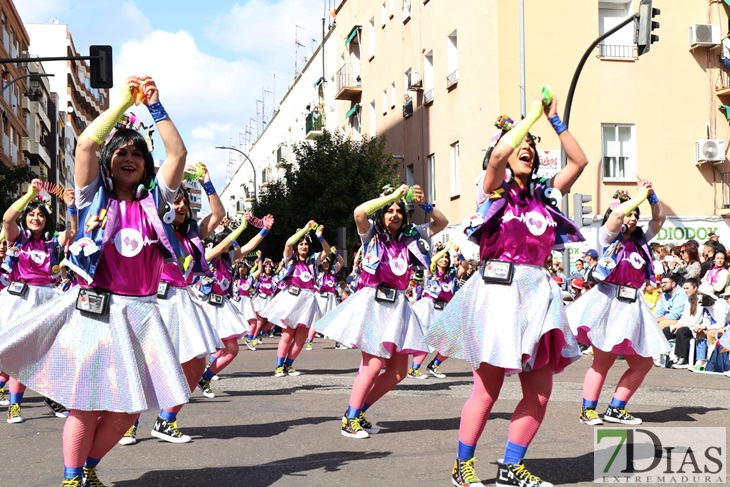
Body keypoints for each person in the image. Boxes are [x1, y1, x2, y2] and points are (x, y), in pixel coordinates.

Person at [0, 76, 192, 487]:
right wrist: (123, 104)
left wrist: (156, 108)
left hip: (141, 313)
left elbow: (177, 152)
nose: (129, 157)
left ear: (145, 165)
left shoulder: (154, 203)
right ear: (108, 163)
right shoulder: (91, 199)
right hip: (97, 311)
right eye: (120, 152)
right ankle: (72, 478)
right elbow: (85, 144)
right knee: (85, 404)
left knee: (129, 408)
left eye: (137, 153)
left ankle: (89, 467)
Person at [426, 88, 587, 487]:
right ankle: (463, 465)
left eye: (532, 146)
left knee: (541, 393)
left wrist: (553, 120)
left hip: (537, 298)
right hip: (497, 296)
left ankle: (511, 466)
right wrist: (529, 119)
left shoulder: (545, 195)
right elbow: (498, 157)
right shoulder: (493, 189)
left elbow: (580, 161)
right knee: (488, 391)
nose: (526, 148)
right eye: (522, 144)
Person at [315, 183, 447, 439]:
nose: (395, 214)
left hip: (397, 306)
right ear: (382, 214)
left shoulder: (411, 235)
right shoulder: (370, 234)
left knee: (397, 372)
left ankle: (357, 411)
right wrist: (389, 196)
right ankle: (349, 420)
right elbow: (358, 214)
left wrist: (424, 205)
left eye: (399, 210)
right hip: (373, 303)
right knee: (373, 365)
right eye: (390, 210)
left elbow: (441, 222)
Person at [120, 165, 225, 446]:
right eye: (174, 200)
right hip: (153, 302)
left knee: (195, 364)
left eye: (183, 202)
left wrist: (207, 182)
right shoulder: (152, 227)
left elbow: (218, 215)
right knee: (145, 365)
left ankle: (167, 420)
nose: (179, 206)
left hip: (183, 301)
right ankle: (129, 422)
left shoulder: (192, 234)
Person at [568, 182, 670, 429]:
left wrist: (652, 196)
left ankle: (616, 407)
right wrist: (636, 197)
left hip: (632, 305)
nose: (632, 218)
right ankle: (588, 410)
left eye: (636, 214)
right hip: (609, 303)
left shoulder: (640, 241)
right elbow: (616, 215)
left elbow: (659, 220)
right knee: (603, 360)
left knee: (644, 362)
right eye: (629, 213)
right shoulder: (607, 236)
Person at [0, 181, 77, 423]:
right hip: (19, 300)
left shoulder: (53, 241)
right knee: (15, 352)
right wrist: (30, 195)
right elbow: (7, 218)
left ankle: (47, 396)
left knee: (45, 354)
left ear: (47, 220)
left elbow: (74, 232)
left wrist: (71, 208)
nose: (36, 218)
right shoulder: (18, 238)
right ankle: (15, 406)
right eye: (31, 214)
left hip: (47, 300)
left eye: (40, 214)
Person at [196, 214, 274, 397]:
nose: (229, 245)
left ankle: (205, 378)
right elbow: (222, 246)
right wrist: (243, 226)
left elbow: (249, 247)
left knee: (232, 349)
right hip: (203, 307)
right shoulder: (207, 255)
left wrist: (265, 230)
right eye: (226, 240)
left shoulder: (227, 259)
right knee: (196, 351)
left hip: (222, 306)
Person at [264, 222, 330, 377]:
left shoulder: (314, 261)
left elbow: (327, 250)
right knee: (287, 335)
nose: (304, 246)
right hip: (292, 299)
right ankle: (279, 366)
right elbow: (288, 243)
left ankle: (289, 365)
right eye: (301, 244)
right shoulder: (290, 259)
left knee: (300, 339)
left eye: (306, 244)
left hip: (308, 301)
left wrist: (319, 236)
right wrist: (305, 230)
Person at [408, 242, 466, 379]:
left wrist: (459, 254)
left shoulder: (451, 273)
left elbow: (465, 267)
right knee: (427, 339)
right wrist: (445, 249)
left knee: (451, 340)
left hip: (446, 309)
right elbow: (432, 261)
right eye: (442, 257)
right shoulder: (431, 270)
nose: (444, 259)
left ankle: (435, 364)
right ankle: (414, 369)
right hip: (430, 307)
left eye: (446, 257)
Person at [306, 249, 344, 350]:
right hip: (320, 297)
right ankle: (309, 342)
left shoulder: (332, 271)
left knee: (336, 320)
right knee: (317, 321)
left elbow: (341, 262)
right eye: (323, 262)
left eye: (327, 262)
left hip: (331, 298)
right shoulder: (317, 272)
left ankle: (338, 343)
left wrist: (336, 253)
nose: (325, 264)